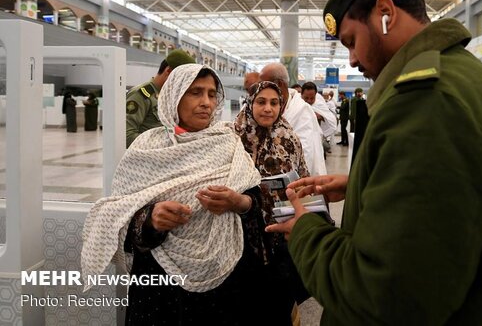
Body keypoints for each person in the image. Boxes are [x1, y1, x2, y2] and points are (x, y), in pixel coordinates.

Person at [266, 0, 482, 325]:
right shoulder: (457, 76)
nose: (352, 59)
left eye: (351, 41)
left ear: (385, 14)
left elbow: (384, 295)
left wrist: (304, 231)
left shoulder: (428, 102)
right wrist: (365, 184)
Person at [82, 64, 287, 325]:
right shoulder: (147, 147)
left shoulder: (228, 143)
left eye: (212, 94)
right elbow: (119, 212)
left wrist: (239, 202)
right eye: (195, 93)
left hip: (224, 278)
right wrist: (150, 219)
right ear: (173, 95)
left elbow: (255, 202)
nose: (206, 103)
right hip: (161, 287)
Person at [233, 80, 311, 317]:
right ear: (250, 103)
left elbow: (303, 179)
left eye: (274, 103)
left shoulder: (289, 138)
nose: (268, 108)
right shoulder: (233, 138)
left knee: (278, 302)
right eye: (261, 102)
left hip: (280, 233)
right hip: (240, 233)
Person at [259, 63, 326, 176]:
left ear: (279, 84)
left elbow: (306, 153)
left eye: (263, 84)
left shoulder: (302, 111)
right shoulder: (260, 105)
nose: (260, 89)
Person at [125, 49, 195, 147]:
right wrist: (163, 145)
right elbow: (127, 136)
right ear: (168, 71)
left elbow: (168, 128)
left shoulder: (169, 96)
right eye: (181, 79)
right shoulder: (141, 94)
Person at [301, 82, 337, 155]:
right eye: (306, 98)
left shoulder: (319, 104)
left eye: (312, 98)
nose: (309, 101)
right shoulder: (296, 105)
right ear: (301, 95)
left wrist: (321, 117)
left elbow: (331, 121)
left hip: (316, 142)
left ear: (316, 95)